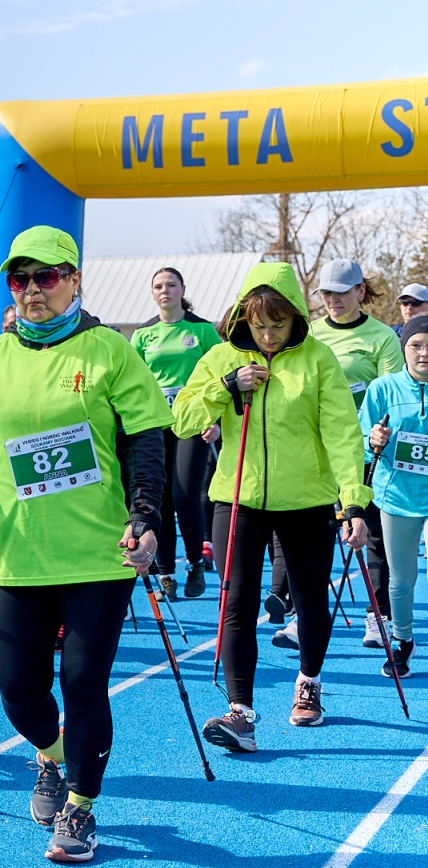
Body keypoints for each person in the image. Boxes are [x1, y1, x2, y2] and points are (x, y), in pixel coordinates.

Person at [0, 224, 170, 865]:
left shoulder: (110, 351)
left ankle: (82, 806)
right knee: (17, 688)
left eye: (45, 276)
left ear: (73, 280)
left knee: (82, 682)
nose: (31, 289)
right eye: (20, 279)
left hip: (99, 553)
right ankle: (52, 755)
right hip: (19, 554)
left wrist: (145, 515)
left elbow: (145, 441)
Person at [173, 260, 370, 753]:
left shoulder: (318, 359)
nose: (267, 335)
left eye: (278, 325)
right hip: (237, 498)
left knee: (309, 599)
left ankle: (309, 681)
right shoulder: (220, 357)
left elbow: (342, 433)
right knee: (236, 601)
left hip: (306, 500)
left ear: (296, 317)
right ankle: (240, 713)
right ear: (244, 317)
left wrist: (353, 500)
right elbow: (181, 419)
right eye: (259, 325)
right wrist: (226, 386)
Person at [305, 257, 402, 652]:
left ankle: (378, 616)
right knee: (313, 533)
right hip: (316, 449)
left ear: (360, 291)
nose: (332, 300)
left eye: (341, 293)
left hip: (365, 450)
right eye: (326, 293)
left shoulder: (382, 337)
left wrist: (375, 432)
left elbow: (391, 395)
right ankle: (304, 613)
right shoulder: (310, 334)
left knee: (371, 534)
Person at [130, 267, 222, 600]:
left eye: (171, 285)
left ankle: (196, 562)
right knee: (162, 498)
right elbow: (132, 382)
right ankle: (166, 571)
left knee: (185, 494)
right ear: (152, 292)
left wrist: (216, 419)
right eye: (158, 286)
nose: (165, 290)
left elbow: (221, 373)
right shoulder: (143, 334)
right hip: (156, 424)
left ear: (182, 289)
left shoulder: (202, 330)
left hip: (192, 421)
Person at [359, 313, 428, 678]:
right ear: (404, 348)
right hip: (398, 496)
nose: (424, 353)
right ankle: (403, 640)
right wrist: (373, 440)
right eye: (416, 345)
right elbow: (360, 442)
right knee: (401, 580)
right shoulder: (383, 388)